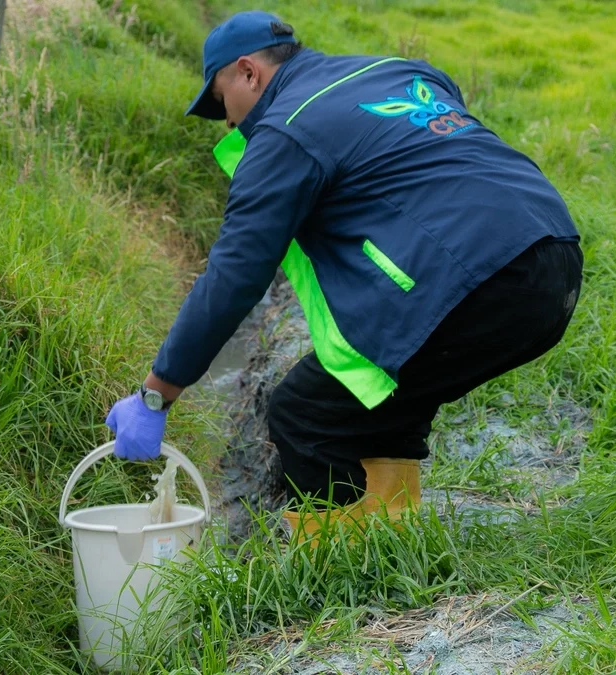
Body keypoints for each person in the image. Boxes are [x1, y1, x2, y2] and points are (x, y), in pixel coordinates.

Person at [104, 10, 583, 508]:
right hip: (557, 254)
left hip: (486, 279)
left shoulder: (285, 130)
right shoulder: (398, 70)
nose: (227, 121)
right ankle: (394, 540)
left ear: (248, 72)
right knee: (377, 404)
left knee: (305, 415)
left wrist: (155, 397)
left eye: (222, 101)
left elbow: (234, 276)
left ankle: (347, 557)